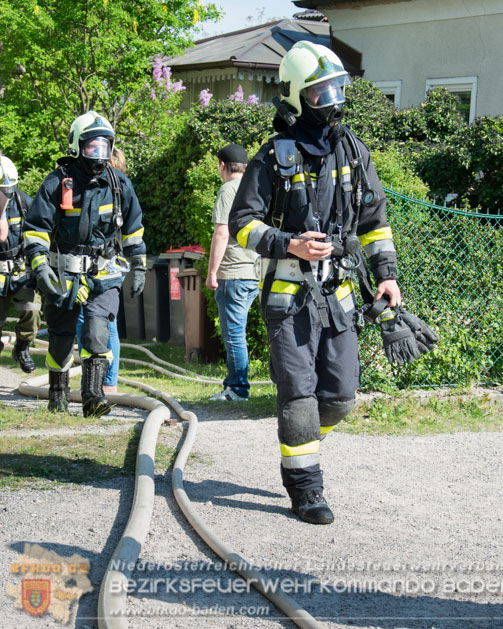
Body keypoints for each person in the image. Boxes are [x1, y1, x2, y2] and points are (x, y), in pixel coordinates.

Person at [228, 41, 437, 524]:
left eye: (337, 89)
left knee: (340, 396)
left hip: (340, 294)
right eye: (321, 93)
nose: (334, 101)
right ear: (299, 98)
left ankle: (298, 438)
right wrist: (289, 244)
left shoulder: (353, 151)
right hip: (290, 298)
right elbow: (243, 224)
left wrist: (387, 278)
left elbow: (376, 223)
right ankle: (306, 490)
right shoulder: (271, 157)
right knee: (298, 393)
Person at [23, 111, 147, 416]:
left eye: (105, 146)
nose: (99, 153)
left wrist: (139, 264)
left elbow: (133, 229)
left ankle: (93, 396)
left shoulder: (119, 186)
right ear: (77, 146)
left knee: (96, 331)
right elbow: (36, 228)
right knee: (61, 337)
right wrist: (40, 267)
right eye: (93, 146)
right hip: (62, 273)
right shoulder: (57, 183)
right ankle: (58, 393)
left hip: (104, 274)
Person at [205, 144, 259, 401]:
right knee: (238, 332)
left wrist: (212, 272)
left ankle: (238, 389)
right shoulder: (255, 188)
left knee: (233, 334)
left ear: (222, 166)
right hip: (254, 272)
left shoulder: (228, 189)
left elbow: (222, 232)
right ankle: (232, 385)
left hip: (233, 272)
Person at [75, 146, 127, 394]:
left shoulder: (111, 190)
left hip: (104, 264)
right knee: (109, 323)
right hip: (115, 264)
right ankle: (108, 382)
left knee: (88, 319)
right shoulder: (122, 191)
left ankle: (98, 382)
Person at [0, 155, 42, 373]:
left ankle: (22, 346)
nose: (5, 193)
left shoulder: (23, 203)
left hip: (19, 270)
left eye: (8, 188)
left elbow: (37, 234)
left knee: (32, 309)